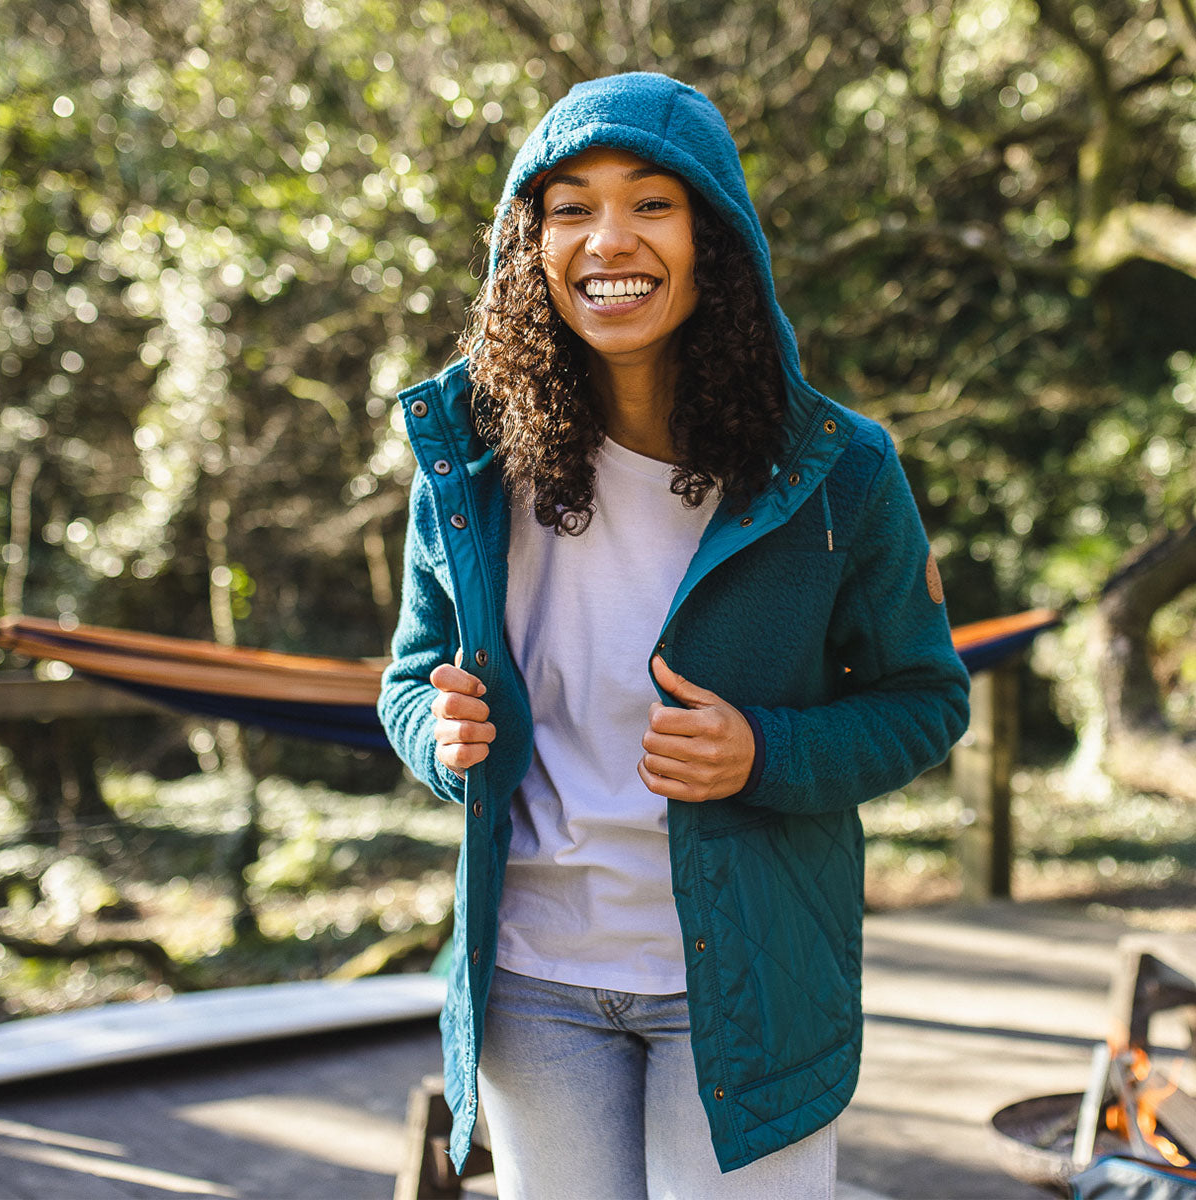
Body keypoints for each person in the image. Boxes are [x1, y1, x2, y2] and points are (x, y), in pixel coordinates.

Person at [379, 71, 970, 1199]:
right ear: (531, 245)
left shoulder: (839, 471)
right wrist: (433, 727)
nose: (611, 238)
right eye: (571, 206)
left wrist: (765, 753)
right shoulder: (468, 460)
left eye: (654, 202)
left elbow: (926, 698)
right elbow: (411, 676)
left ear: (716, 239)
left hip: (749, 989)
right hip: (532, 981)